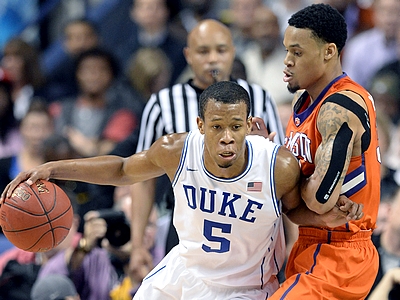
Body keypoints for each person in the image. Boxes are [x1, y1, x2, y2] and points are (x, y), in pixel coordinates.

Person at [0, 81, 362, 299]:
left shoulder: (277, 165)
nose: (227, 137)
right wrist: (52, 168)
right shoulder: (177, 150)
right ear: (200, 124)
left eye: (236, 126)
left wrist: (326, 216)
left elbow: (293, 211)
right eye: (217, 126)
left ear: (248, 122)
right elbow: (124, 169)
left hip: (245, 288)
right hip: (182, 274)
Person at [131, 18, 285, 276]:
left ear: (233, 53)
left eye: (221, 50)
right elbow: (141, 178)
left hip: (249, 224)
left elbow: (282, 174)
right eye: (203, 51)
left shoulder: (259, 97)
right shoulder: (163, 103)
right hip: (186, 224)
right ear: (188, 55)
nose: (213, 59)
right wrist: (137, 245)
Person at [268, 4, 380, 299]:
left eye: (297, 52)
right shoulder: (303, 102)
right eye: (286, 51)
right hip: (310, 244)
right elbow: (298, 208)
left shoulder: (340, 106)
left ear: (329, 52)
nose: (287, 61)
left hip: (342, 254)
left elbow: (318, 199)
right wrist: (271, 157)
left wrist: (284, 174)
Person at [341, 0, 400, 88]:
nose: (390, 19)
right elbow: (350, 89)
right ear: (374, 12)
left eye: (396, 11)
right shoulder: (358, 47)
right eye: (384, 11)